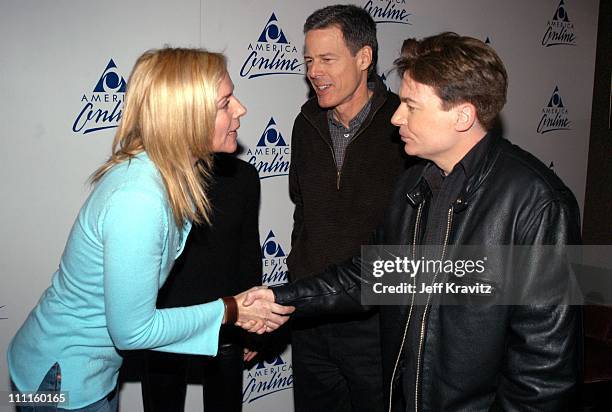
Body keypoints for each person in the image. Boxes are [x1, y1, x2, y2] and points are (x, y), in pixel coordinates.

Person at [249, 32, 582, 411]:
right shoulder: (414, 185)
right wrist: (281, 297)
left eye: (410, 105)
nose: (395, 116)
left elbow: (544, 374)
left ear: (463, 114)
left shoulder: (537, 204)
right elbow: (370, 276)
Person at [7, 48, 293, 412]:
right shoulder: (139, 199)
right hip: (61, 380)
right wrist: (231, 310)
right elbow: (133, 331)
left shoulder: (161, 176)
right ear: (185, 115)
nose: (240, 109)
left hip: (78, 373)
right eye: (225, 103)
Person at [286, 5, 408, 412]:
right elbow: (302, 214)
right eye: (308, 60)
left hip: (375, 325)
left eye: (326, 59)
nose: (313, 71)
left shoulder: (404, 129)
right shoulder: (305, 125)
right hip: (311, 319)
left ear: (364, 58)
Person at [141, 153, 262, 412]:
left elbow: (248, 250)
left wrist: (252, 321)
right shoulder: (158, 174)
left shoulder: (244, 176)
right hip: (167, 320)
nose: (238, 113)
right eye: (226, 109)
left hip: (228, 319)